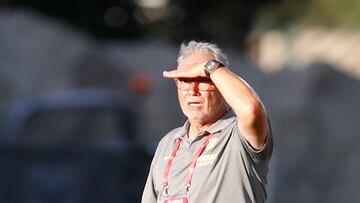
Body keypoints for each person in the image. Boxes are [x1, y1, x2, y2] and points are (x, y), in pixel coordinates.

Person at [142, 41, 273, 203]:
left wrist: (211, 68)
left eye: (202, 79)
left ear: (222, 85)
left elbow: (251, 108)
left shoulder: (237, 135)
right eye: (185, 80)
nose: (192, 91)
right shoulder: (168, 143)